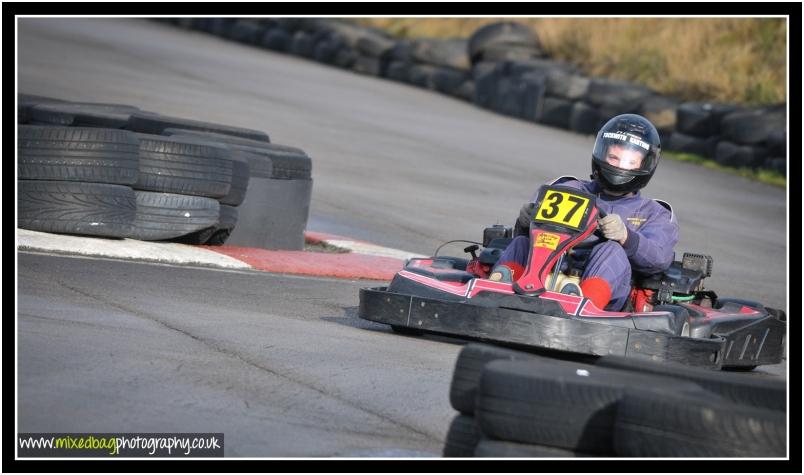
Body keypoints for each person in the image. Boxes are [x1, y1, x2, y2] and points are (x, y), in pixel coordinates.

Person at [488, 114, 679, 311]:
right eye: (613, 158)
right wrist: (525, 222)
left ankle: (583, 302)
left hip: (608, 297)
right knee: (521, 242)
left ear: (646, 165)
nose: (619, 167)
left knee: (611, 250)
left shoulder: (654, 213)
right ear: (601, 154)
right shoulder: (566, 188)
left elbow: (659, 258)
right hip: (544, 272)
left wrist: (626, 237)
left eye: (630, 162)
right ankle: (496, 289)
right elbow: (531, 238)